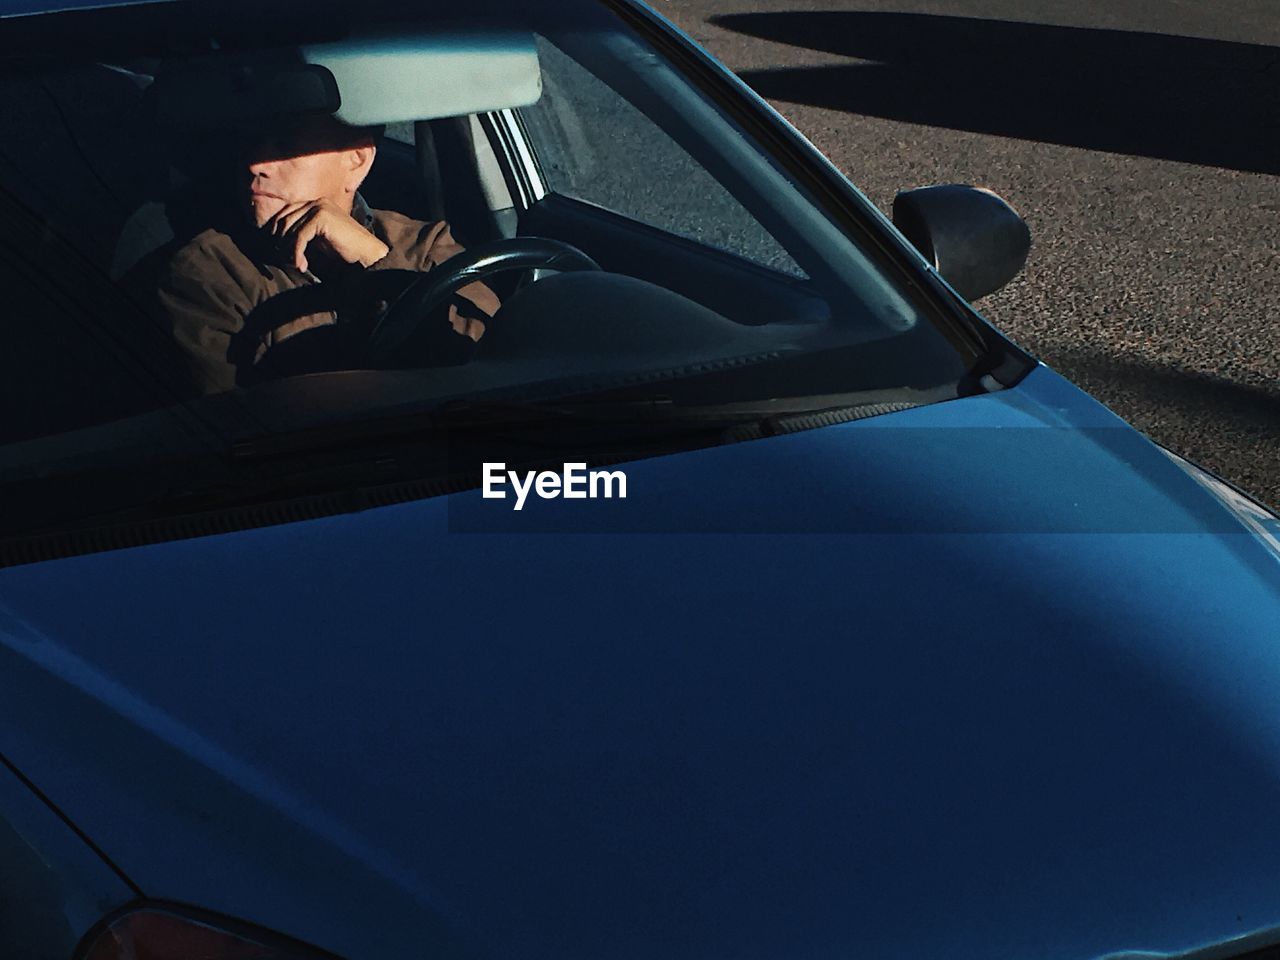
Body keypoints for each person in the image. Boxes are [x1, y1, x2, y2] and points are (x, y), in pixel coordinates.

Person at [156, 113, 499, 393]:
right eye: (250, 142)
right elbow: (239, 431)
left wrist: (374, 259)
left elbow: (490, 364)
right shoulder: (208, 271)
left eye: (285, 144)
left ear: (357, 160)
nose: (256, 163)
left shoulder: (425, 244)